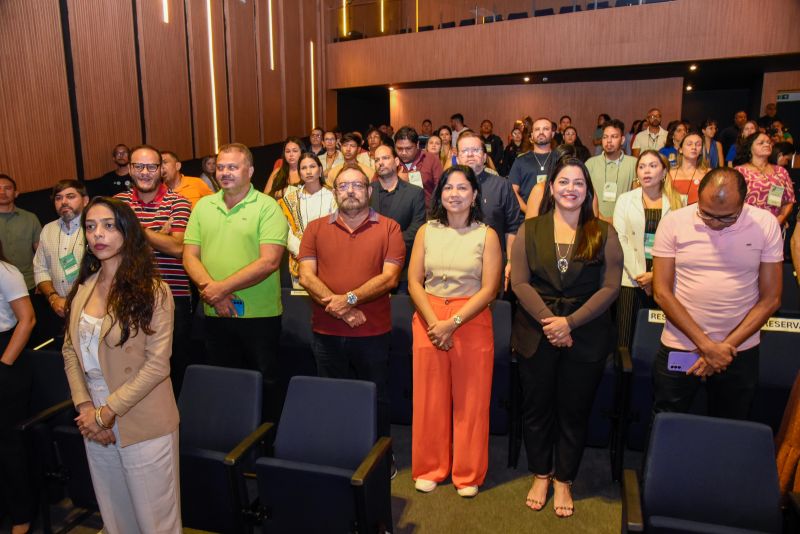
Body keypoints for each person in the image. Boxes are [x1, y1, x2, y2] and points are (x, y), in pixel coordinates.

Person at [510, 156, 622, 517]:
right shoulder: (532, 228)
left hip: (585, 333)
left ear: (587, 190)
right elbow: (519, 283)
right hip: (535, 330)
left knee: (574, 410)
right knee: (537, 407)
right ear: (551, 188)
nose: (571, 189)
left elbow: (610, 288)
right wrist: (550, 321)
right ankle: (541, 473)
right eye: (564, 182)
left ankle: (565, 480)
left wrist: (569, 323)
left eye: (578, 183)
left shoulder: (603, 231)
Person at [62, 197, 181, 533]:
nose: (98, 234)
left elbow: (157, 366)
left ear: (128, 231)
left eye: (109, 225)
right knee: (116, 518)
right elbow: (70, 350)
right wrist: (86, 408)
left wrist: (106, 411)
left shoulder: (153, 291)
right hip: (93, 415)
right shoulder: (85, 286)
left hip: (140, 414)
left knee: (155, 521)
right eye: (91, 226)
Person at [651, 168, 782, 420]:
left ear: (744, 204)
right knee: (667, 422)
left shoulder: (765, 224)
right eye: (706, 214)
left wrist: (724, 348)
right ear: (698, 198)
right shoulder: (674, 222)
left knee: (730, 427)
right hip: (681, 345)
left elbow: (771, 298)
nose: (714, 224)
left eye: (726, 219)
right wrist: (706, 346)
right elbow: (662, 293)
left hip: (738, 350)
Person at [408, 165, 502, 498]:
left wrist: (453, 322)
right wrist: (435, 321)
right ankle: (431, 467)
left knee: (471, 400)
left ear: (475, 195)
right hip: (429, 317)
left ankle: (468, 472)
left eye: (463, 188)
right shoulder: (426, 231)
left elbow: (489, 289)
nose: (455, 194)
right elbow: (413, 281)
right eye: (448, 188)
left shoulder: (487, 235)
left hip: (471, 319)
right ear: (440, 194)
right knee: (429, 397)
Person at [298, 164, 405, 440]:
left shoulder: (390, 228)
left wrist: (349, 299)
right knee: (332, 397)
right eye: (343, 186)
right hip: (326, 333)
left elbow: (390, 278)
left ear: (369, 191)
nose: (350, 191)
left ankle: (380, 454)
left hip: (372, 332)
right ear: (335, 193)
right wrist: (344, 311)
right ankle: (337, 449)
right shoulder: (315, 229)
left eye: (357, 185)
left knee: (376, 396)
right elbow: (306, 276)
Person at [183, 143, 288, 421]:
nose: (225, 172)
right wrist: (214, 294)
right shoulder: (203, 206)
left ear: (250, 171)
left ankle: (265, 443)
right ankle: (229, 438)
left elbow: (269, 262)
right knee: (223, 383)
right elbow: (190, 256)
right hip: (215, 312)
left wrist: (220, 289)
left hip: (259, 315)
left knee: (264, 384)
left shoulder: (268, 207)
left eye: (233, 167)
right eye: (220, 167)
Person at [115, 145, 193, 396]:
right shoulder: (118, 204)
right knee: (131, 363)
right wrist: (159, 235)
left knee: (171, 365)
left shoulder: (179, 202)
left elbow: (178, 248)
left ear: (161, 170)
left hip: (173, 294)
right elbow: (113, 248)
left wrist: (135, 228)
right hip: (127, 293)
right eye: (139, 166)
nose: (145, 172)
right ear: (129, 169)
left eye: (151, 167)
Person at [613, 151, 683, 349]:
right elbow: (621, 239)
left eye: (653, 166)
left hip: (665, 278)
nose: (646, 171)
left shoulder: (678, 202)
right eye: (642, 166)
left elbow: (680, 245)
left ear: (663, 173)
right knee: (624, 340)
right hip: (631, 277)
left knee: (656, 339)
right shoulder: (625, 200)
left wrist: (656, 275)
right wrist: (640, 275)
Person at [0, 240, 35, 534]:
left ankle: (22, 518)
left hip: (6, 357)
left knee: (8, 446)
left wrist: (3, 365)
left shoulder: (5, 271)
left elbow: (27, 320)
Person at [456, 132, 523, 289]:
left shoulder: (502, 185)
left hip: (493, 265)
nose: (470, 154)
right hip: (456, 265)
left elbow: (513, 227)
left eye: (476, 150)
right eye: (465, 151)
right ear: (457, 158)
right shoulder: (447, 186)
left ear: (485, 157)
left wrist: (511, 261)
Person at [33, 180, 89, 340]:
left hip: (91, 309)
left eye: (70, 196)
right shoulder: (48, 229)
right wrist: (53, 298)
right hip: (58, 310)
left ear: (85, 200)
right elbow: (40, 268)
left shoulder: (95, 227)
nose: (64, 202)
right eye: (58, 198)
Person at [370, 144, 426, 293]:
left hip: (403, 269)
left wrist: (388, 243)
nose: (380, 162)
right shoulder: (366, 191)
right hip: (370, 267)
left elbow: (417, 228)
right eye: (377, 160)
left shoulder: (415, 193)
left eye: (386, 158)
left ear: (396, 162)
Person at [278, 153, 336, 288]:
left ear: (320, 170)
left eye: (312, 166)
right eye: (303, 168)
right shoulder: (290, 199)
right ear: (299, 172)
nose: (308, 171)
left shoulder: (333, 196)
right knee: (301, 305)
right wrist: (303, 253)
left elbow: (337, 228)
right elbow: (286, 231)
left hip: (328, 258)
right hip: (299, 258)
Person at [735, 132, 795, 226]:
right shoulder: (740, 172)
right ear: (750, 148)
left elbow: (789, 201)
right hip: (746, 226)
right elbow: (732, 202)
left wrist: (779, 220)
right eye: (761, 143)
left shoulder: (780, 172)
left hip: (774, 226)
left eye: (768, 142)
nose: (767, 144)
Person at [585, 119, 637, 224]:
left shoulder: (634, 164)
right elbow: (585, 197)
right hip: (595, 222)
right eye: (605, 137)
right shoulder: (590, 164)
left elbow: (637, 198)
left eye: (614, 137)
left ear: (622, 140)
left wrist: (618, 219)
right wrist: (599, 217)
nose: (609, 141)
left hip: (624, 223)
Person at [0, 174, 41, 291]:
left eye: (7, 188)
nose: (2, 192)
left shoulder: (30, 218)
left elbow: (41, 252)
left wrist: (42, 280)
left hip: (29, 283)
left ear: (16, 193)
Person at [509, 118, 557, 213]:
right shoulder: (520, 160)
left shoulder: (561, 160)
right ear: (531, 135)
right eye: (537, 129)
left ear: (552, 134)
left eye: (546, 129)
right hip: (526, 219)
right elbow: (512, 191)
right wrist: (530, 212)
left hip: (556, 218)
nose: (541, 132)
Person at [394, 126, 443, 208]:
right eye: (399, 148)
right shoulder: (391, 161)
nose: (403, 153)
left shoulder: (431, 160)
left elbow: (441, 189)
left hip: (426, 213)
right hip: (398, 213)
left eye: (408, 148)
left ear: (417, 145)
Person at [668, 132, 709, 206]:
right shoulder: (669, 173)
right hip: (674, 215)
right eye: (689, 144)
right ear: (680, 150)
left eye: (698, 144)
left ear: (701, 152)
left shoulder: (708, 174)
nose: (694, 147)